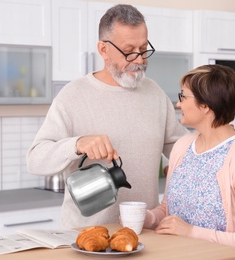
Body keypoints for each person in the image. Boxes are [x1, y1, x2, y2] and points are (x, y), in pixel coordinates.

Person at [26, 4, 188, 228]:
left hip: (144, 232)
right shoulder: (72, 96)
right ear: (103, 49)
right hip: (86, 237)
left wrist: (224, 145)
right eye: (129, 50)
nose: (139, 60)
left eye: (143, 48)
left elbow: (182, 149)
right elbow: (35, 160)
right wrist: (77, 144)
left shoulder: (155, 94)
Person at [143, 64, 235, 260]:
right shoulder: (182, 146)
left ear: (205, 105)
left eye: (183, 97)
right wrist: (148, 218)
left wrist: (191, 232)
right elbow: (168, 207)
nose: (178, 104)